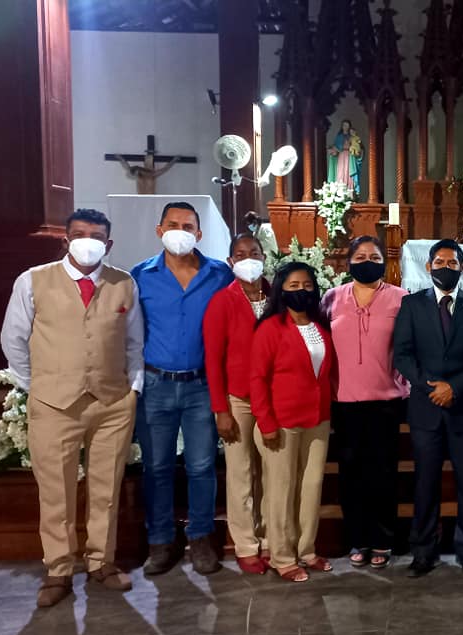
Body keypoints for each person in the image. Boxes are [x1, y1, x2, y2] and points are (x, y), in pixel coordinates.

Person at [1, 209, 144, 607]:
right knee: (56, 491)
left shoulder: (123, 283)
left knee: (106, 488)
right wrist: (36, 385)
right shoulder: (33, 280)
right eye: (79, 234)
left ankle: (101, 561)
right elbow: (14, 339)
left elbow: (134, 342)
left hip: (112, 402)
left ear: (108, 244)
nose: (87, 241)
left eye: (96, 236)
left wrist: (132, 387)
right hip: (53, 403)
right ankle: (58, 570)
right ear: (66, 240)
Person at [131, 201, 234, 576]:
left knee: (202, 466)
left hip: (201, 385)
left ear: (199, 234)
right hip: (156, 383)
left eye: (188, 226)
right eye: (173, 225)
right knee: (157, 467)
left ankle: (201, 538)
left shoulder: (219, 275)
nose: (180, 231)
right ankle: (160, 541)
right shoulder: (140, 276)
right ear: (159, 231)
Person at [392, 239, 463, 578]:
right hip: (426, 409)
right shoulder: (412, 304)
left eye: (452, 263)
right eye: (439, 262)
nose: (446, 268)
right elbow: (402, 354)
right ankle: (423, 551)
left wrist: (455, 387)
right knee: (425, 483)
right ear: (428, 266)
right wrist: (430, 387)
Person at [321, 236, 409, 569]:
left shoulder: (401, 298)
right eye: (360, 256)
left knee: (383, 474)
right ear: (349, 261)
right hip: (344, 401)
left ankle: (383, 539)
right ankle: (357, 538)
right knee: (351, 474)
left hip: (386, 400)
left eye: (374, 256)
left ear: (384, 261)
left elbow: (410, 346)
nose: (367, 261)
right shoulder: (332, 298)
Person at [251, 262, 335, 582]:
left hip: (317, 419)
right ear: (281, 291)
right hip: (281, 421)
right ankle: (282, 556)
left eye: (307, 285)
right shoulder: (270, 328)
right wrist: (266, 422)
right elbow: (257, 379)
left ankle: (306, 549)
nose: (302, 291)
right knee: (282, 490)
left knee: (311, 487)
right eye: (294, 286)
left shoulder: (320, 327)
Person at [203, 233, 270, 575]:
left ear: (264, 258)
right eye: (241, 255)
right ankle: (245, 544)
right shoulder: (222, 301)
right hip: (239, 399)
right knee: (241, 473)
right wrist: (221, 410)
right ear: (230, 262)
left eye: (254, 253)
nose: (248, 259)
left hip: (273, 398)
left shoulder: (277, 297)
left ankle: (271, 539)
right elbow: (213, 360)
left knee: (271, 474)